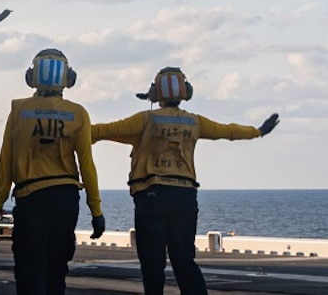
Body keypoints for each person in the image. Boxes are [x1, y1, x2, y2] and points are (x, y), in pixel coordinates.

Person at [92, 67, 279, 295]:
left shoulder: (144, 120)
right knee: (184, 261)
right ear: (186, 92)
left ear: (155, 93)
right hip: (184, 197)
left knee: (152, 264)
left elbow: (103, 130)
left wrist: (69, 132)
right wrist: (257, 131)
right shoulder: (194, 122)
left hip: (151, 196)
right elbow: (228, 131)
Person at [0, 48, 105, 295]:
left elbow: (5, 160)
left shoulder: (19, 111)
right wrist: (96, 211)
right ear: (68, 78)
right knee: (57, 269)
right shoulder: (78, 113)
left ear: (32, 76)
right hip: (66, 198)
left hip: (32, 199)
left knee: (31, 268)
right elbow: (87, 166)